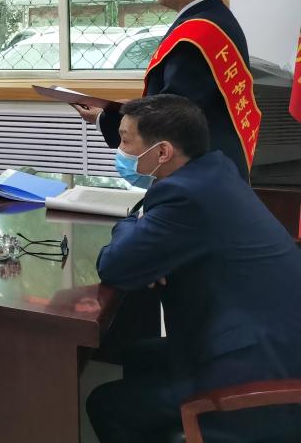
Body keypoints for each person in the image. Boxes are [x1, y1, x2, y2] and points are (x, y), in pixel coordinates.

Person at [86, 95, 301, 443]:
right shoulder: (213, 171)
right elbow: (145, 247)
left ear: (163, 152)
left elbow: (114, 265)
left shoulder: (186, 197)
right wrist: (150, 247)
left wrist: (132, 226)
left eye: (126, 140)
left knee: (106, 403)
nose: (120, 150)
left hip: (258, 370)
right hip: (261, 339)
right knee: (136, 355)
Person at [73, 0, 254, 181]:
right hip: (216, 166)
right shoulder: (215, 18)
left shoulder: (197, 34)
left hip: (196, 175)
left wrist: (104, 118)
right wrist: (118, 109)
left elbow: (174, 115)